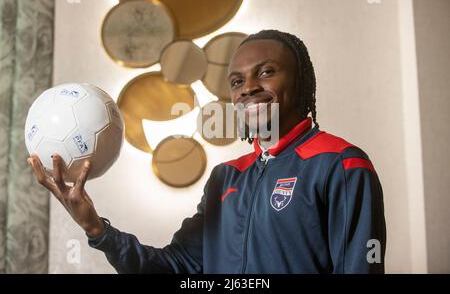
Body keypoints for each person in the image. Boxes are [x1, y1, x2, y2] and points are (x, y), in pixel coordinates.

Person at [28, 29, 386, 274]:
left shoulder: (341, 163)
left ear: (301, 82)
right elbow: (175, 267)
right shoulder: (225, 178)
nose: (248, 89)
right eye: (236, 82)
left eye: (266, 72)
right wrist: (96, 228)